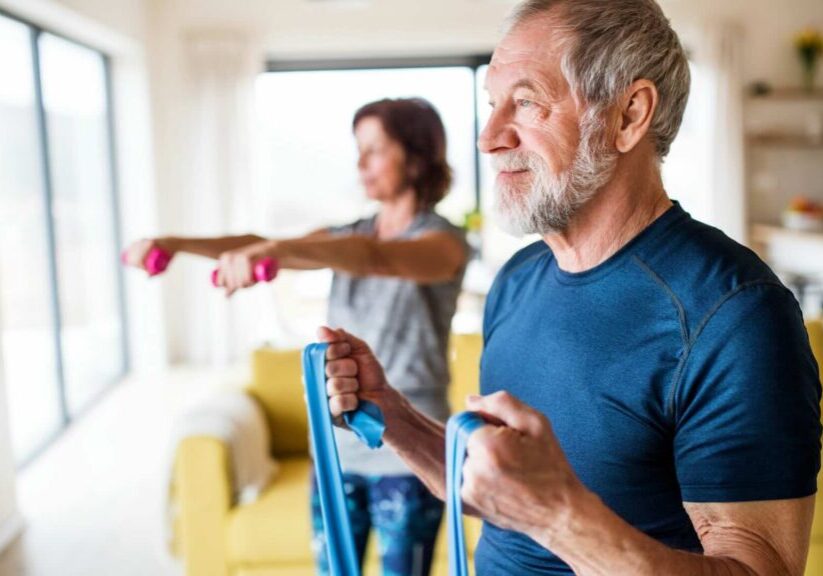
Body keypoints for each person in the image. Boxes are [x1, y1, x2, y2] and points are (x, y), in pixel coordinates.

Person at [319, 1, 823, 575]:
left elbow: (761, 569)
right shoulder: (517, 281)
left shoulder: (735, 316)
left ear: (629, 114)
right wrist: (394, 416)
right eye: (492, 106)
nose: (488, 138)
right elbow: (501, 497)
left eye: (527, 102)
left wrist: (559, 516)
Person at [123, 97, 468, 576]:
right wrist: (177, 245)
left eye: (374, 149)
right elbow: (264, 241)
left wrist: (280, 250)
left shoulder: (443, 242)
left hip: (408, 456)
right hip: (335, 447)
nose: (360, 162)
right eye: (358, 150)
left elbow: (372, 257)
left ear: (414, 155)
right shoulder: (348, 234)